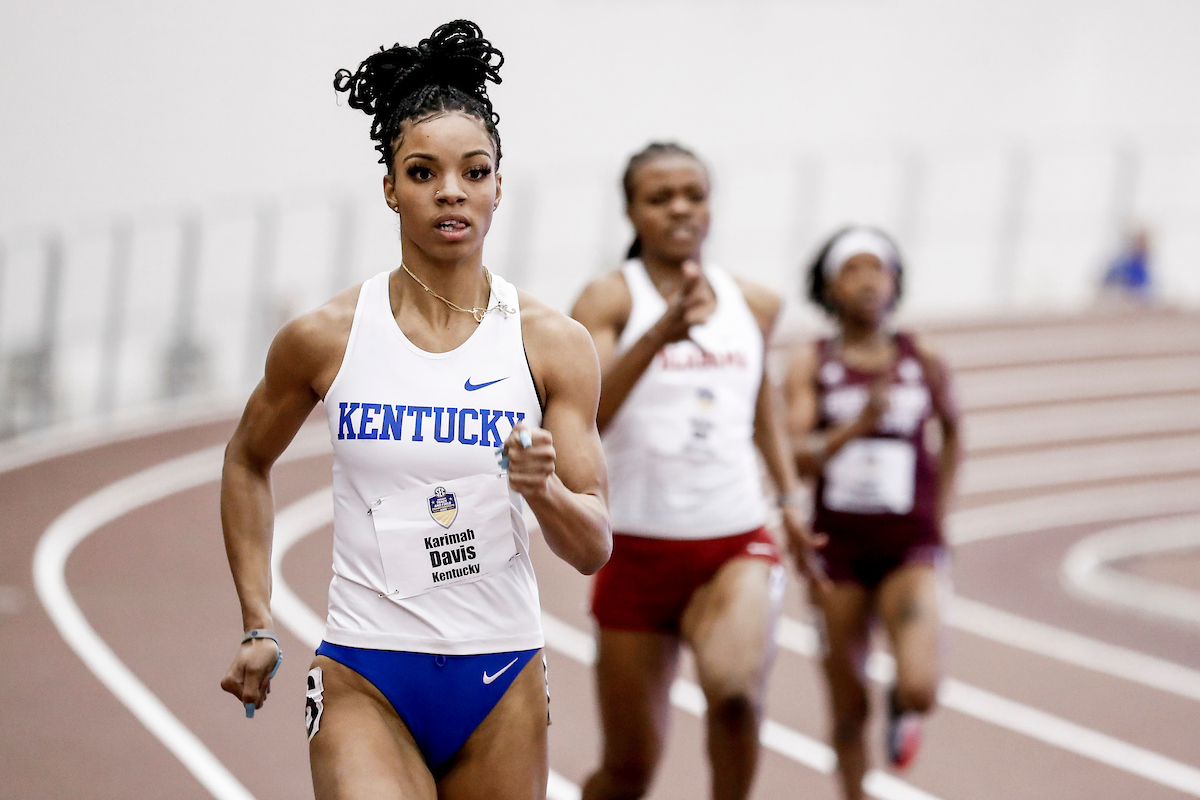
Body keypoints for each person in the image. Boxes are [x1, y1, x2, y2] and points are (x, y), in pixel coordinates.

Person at [218, 20, 611, 799]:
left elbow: (595, 543)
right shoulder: (325, 338)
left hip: (500, 671)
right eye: (424, 172)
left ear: (499, 184)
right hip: (366, 664)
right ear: (391, 187)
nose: (451, 191)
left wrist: (541, 489)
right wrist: (259, 620)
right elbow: (246, 461)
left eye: (474, 171)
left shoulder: (551, 345)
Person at [570, 142, 825, 800]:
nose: (680, 209)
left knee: (736, 697)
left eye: (694, 194)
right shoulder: (608, 299)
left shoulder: (755, 303)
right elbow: (582, 416)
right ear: (632, 211)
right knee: (629, 770)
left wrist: (791, 501)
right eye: (660, 198)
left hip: (733, 539)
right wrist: (661, 335)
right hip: (635, 548)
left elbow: (760, 407)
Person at [782, 226, 960, 799]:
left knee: (919, 689)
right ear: (829, 287)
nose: (866, 281)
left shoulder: (922, 358)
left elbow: (953, 431)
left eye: (876, 269)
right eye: (851, 271)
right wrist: (856, 427)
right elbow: (797, 459)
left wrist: (942, 511)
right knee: (846, 703)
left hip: (910, 546)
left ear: (895, 281)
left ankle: (901, 710)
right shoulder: (811, 364)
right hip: (838, 552)